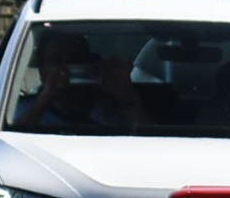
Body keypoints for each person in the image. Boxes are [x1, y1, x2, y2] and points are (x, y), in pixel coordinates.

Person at [10, 32, 145, 133]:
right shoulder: (18, 110)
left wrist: (127, 96)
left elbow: (148, 139)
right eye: (57, 61)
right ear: (41, 69)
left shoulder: (115, 106)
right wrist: (46, 97)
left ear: (91, 63)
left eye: (75, 59)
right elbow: (11, 142)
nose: (67, 68)